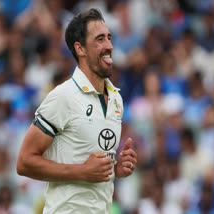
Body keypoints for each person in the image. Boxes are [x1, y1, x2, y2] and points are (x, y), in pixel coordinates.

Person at [16, 8, 137, 214]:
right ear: (80, 49)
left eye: (109, 38)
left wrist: (115, 169)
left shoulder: (116, 98)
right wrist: (82, 171)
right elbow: (24, 162)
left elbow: (92, 166)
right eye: (100, 39)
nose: (109, 45)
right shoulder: (63, 97)